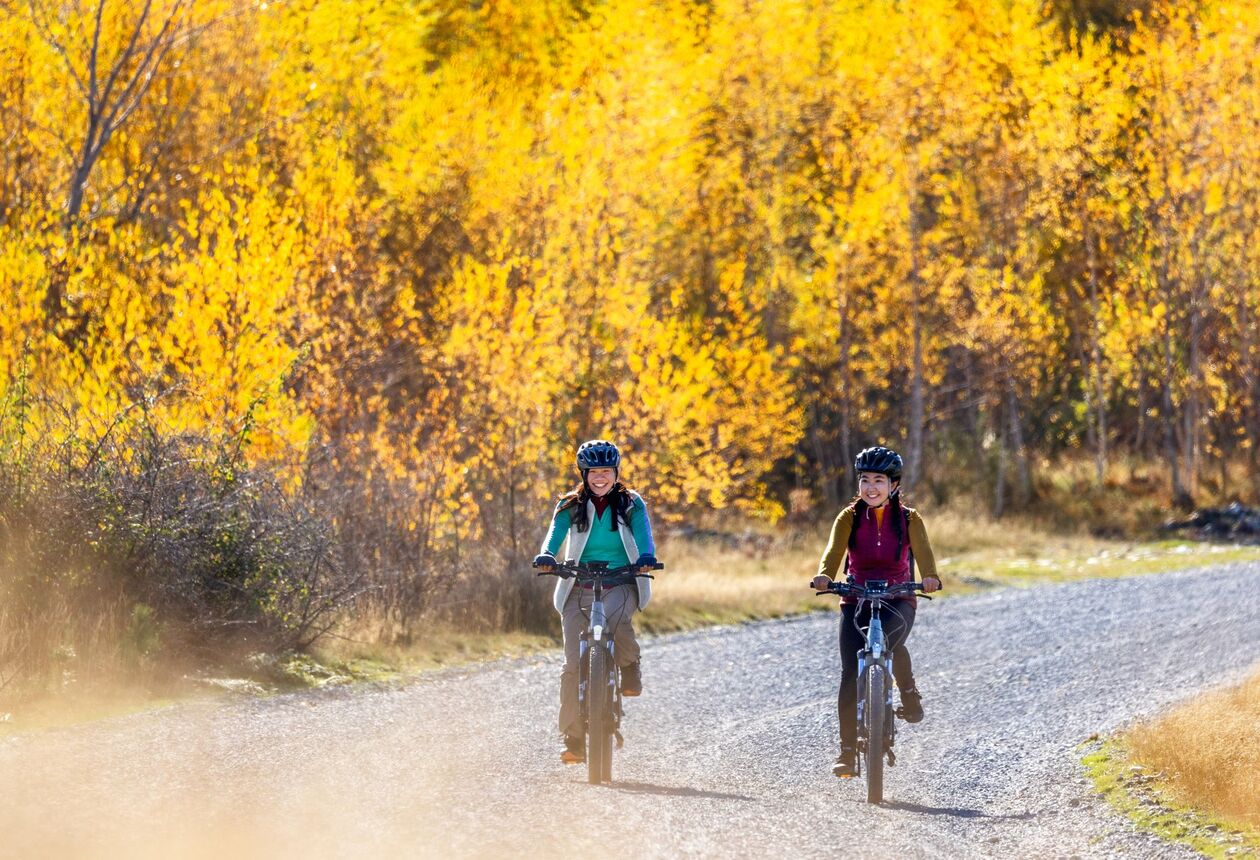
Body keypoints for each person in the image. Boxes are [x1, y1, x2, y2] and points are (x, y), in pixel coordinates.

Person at [811, 445, 942, 778]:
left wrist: (929, 577)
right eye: (865, 480)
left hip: (898, 596)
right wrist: (826, 575)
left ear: (893, 485)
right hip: (855, 595)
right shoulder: (849, 517)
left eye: (879, 481)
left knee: (891, 644)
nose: (871, 487)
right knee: (848, 673)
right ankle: (846, 752)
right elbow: (833, 551)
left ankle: (909, 695)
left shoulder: (910, 518)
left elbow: (924, 552)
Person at [534, 439, 659, 765]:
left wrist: (647, 556)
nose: (600, 478)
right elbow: (554, 534)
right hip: (579, 581)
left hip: (621, 579)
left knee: (617, 621)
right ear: (584, 473)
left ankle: (629, 664)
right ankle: (574, 737)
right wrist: (548, 555)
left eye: (606, 471)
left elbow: (643, 532)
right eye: (594, 472)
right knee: (572, 664)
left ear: (616, 472)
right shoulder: (569, 505)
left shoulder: (631, 503)